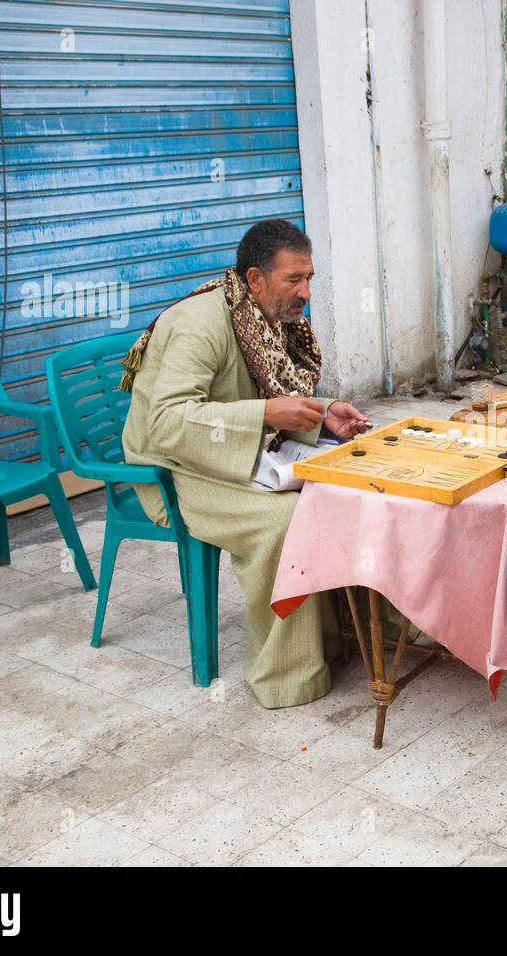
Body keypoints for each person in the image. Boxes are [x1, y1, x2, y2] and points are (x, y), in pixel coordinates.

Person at [120, 219, 372, 709]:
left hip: (235, 450)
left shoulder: (267, 318)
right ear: (256, 279)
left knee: (342, 487)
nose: (305, 293)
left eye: (310, 279)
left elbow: (273, 401)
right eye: (293, 280)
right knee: (283, 522)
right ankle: (287, 675)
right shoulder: (198, 324)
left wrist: (323, 415)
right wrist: (266, 413)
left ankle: (346, 636)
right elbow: (167, 424)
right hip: (172, 467)